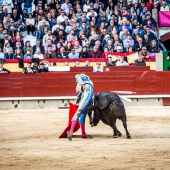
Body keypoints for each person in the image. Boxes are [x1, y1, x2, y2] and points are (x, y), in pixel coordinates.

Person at [67, 74, 94, 141]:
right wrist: (76, 103)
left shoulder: (82, 77)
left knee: (83, 114)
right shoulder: (84, 85)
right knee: (80, 112)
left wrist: (83, 85)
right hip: (89, 91)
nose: (76, 82)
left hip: (88, 90)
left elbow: (76, 75)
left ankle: (83, 133)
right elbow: (80, 95)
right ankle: (70, 132)